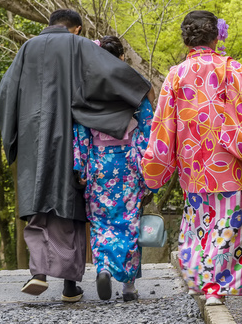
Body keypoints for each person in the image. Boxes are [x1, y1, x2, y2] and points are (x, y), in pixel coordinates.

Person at [0, 9, 152, 303]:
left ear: (50, 23)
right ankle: (70, 286)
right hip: (69, 134)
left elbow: (6, 90)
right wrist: (139, 90)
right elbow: (109, 74)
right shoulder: (77, 45)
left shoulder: (27, 48)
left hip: (33, 136)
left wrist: (14, 136)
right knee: (70, 207)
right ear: (77, 29)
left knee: (38, 202)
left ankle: (39, 271)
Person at [141, 10, 242, 306]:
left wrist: (156, 164)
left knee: (198, 220)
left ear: (187, 38)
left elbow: (163, 123)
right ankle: (214, 289)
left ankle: (199, 281)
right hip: (226, 158)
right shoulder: (230, 68)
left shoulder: (176, 74)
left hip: (191, 159)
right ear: (216, 35)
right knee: (228, 221)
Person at [73, 36, 154, 301]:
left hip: (99, 163)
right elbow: (146, 126)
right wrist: (147, 168)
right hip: (128, 162)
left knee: (101, 223)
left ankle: (104, 268)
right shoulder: (134, 86)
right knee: (130, 222)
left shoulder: (88, 88)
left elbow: (81, 130)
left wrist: (80, 166)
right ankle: (129, 286)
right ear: (121, 58)